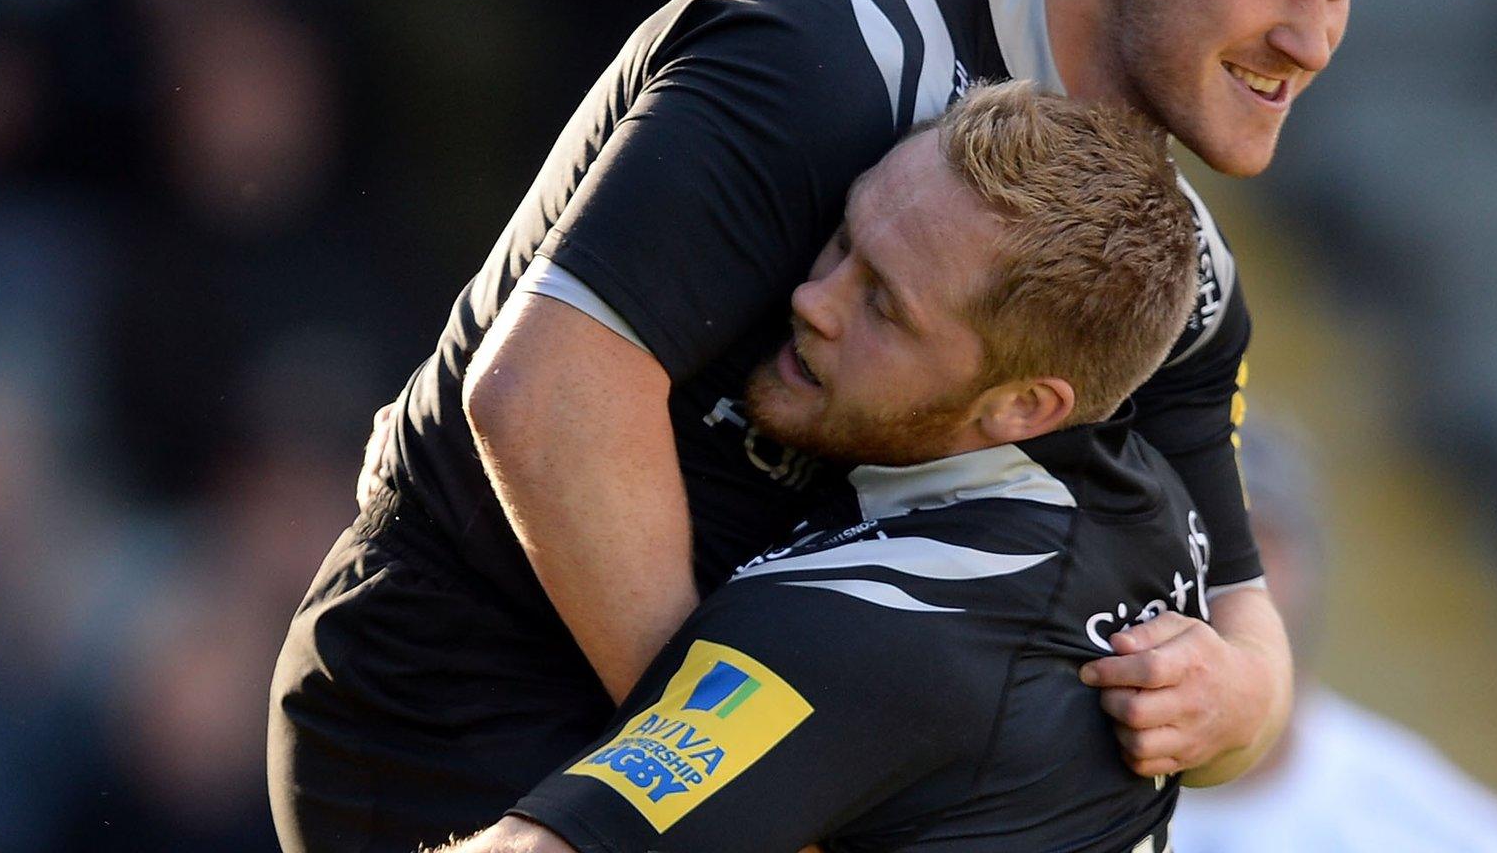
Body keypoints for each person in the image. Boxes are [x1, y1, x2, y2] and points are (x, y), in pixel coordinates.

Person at [269, 0, 1461, 849]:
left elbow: (1235, 600)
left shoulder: (1173, 271)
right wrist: (739, 782)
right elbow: (541, 401)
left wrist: (1239, 699)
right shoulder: (830, 50)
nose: (1310, 40)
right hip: (459, 710)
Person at [453, 82, 1210, 853]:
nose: (814, 298)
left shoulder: (862, 620)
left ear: (1023, 406)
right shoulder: (1150, 499)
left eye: (884, 306)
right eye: (845, 238)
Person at [1167, 422, 1497, 853]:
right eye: (1181, 544)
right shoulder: (1077, 797)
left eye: (1246, 547)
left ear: (1309, 564)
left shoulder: (1450, 835)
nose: (1208, 580)